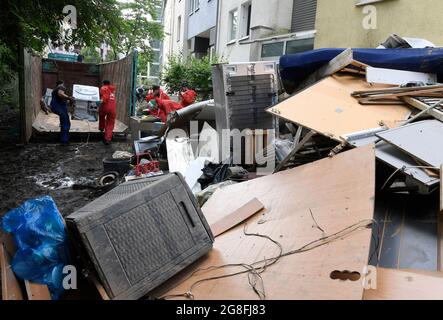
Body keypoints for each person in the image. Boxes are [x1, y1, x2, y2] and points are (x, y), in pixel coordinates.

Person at [50, 80, 74, 145]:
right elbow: (60, 94)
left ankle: (63, 138)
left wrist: (69, 100)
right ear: (62, 84)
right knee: (66, 123)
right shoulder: (61, 87)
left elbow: (62, 98)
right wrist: (69, 98)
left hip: (56, 108)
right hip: (59, 108)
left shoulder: (55, 89)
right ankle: (64, 141)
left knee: (64, 122)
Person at [99, 80, 117, 145]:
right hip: (113, 108)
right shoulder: (112, 89)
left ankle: (101, 128)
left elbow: (105, 98)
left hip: (105, 106)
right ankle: (108, 139)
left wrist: (99, 101)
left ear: (103, 83)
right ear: (110, 84)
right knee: (110, 123)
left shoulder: (103, 88)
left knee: (101, 116)